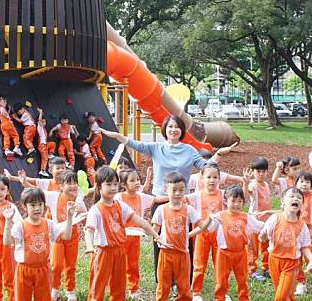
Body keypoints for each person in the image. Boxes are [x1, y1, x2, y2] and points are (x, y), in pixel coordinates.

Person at [101, 114, 237, 279]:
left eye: (177, 127)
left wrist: (219, 154)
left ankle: (184, 277)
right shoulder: (156, 148)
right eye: (170, 126)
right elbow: (134, 144)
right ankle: (163, 277)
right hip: (160, 201)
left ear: (182, 130)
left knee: (184, 240)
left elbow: (205, 167)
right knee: (160, 240)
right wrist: (116, 136)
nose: (173, 130)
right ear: (165, 129)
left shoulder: (189, 150)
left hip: (182, 202)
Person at [84, 166, 164, 301]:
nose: (112, 188)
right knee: (98, 285)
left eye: (115, 184)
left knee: (119, 286)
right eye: (108, 184)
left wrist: (156, 236)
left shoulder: (120, 205)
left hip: (119, 251)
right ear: (98, 186)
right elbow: (89, 230)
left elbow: (140, 221)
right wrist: (89, 246)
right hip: (103, 252)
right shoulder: (96, 209)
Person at [3, 188, 76, 301]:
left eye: (40, 204)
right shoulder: (20, 226)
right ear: (24, 206)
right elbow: (7, 242)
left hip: (43, 269)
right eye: (32, 205)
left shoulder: (49, 224)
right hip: (24, 270)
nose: (37, 208)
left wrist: (70, 217)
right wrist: (8, 221)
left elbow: (66, 237)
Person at [151, 172, 213, 301]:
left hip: (183, 254)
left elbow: (201, 226)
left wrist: (211, 218)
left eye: (181, 190)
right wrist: (159, 240)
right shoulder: (161, 210)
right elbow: (154, 231)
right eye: (174, 190)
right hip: (165, 253)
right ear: (166, 190)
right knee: (163, 284)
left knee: (184, 285)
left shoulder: (188, 209)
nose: (178, 193)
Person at [116, 168, 166, 299]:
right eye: (132, 180)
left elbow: (156, 199)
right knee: (119, 263)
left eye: (138, 179)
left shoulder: (141, 197)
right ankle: (118, 287)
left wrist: (173, 196)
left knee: (133, 263)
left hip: (135, 236)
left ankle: (133, 289)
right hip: (120, 237)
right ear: (123, 184)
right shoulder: (118, 197)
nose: (137, 182)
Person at [210, 186, 265, 301]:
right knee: (221, 279)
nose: (236, 204)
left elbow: (261, 226)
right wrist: (211, 219)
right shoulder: (220, 216)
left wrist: (271, 226)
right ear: (225, 201)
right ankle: (220, 298)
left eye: (239, 201)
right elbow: (209, 229)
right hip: (224, 253)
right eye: (233, 201)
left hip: (241, 253)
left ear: (243, 203)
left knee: (242, 279)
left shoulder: (246, 217)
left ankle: (244, 298)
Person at [259, 187, 312, 301]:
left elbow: (305, 247)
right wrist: (262, 237)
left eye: (299, 198)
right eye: (292, 196)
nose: (296, 199)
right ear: (283, 201)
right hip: (274, 260)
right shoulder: (275, 219)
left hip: (292, 263)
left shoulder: (302, 226)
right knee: (284, 292)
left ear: (302, 204)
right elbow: (264, 237)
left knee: (280, 296)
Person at [184, 164, 227, 301]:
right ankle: (196, 292)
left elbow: (237, 202)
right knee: (199, 264)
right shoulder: (197, 195)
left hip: (219, 236)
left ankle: (221, 293)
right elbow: (182, 200)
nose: (212, 180)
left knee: (220, 265)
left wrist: (244, 183)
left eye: (215, 177)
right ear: (201, 178)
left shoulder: (224, 194)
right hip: (201, 235)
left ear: (219, 179)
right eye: (208, 177)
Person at [45, 171, 88, 301]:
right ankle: (55, 288)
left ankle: (70, 290)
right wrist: (23, 181)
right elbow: (37, 194)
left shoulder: (79, 202)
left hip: (72, 237)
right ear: (61, 186)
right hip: (58, 237)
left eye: (75, 182)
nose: (73, 185)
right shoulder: (54, 197)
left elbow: (86, 221)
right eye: (69, 183)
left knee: (71, 265)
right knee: (56, 265)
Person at [247, 156, 272, 281]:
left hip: (266, 220)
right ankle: (252, 270)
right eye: (258, 172)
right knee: (253, 247)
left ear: (267, 171)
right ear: (253, 172)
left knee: (266, 245)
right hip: (254, 221)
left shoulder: (266, 184)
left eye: (263, 171)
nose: (261, 174)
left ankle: (266, 268)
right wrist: (245, 183)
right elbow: (248, 192)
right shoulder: (253, 184)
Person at [37, 108, 56, 178]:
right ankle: (42, 170)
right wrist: (40, 113)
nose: (43, 123)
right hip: (42, 145)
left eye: (44, 122)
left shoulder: (44, 129)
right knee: (44, 158)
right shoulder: (39, 127)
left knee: (53, 144)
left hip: (45, 144)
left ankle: (50, 154)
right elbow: (39, 121)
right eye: (42, 121)